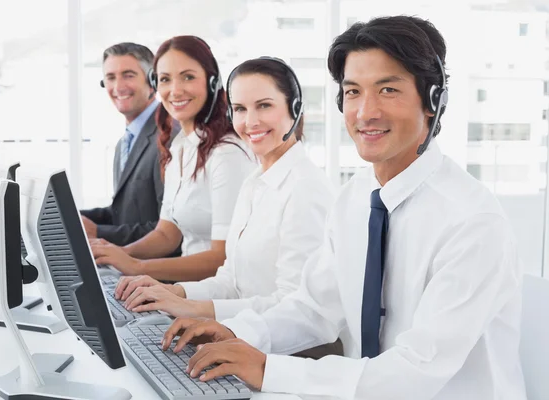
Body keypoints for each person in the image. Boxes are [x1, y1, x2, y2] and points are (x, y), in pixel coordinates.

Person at [160, 16, 527, 399]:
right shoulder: (355, 198)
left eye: (387, 89)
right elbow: (314, 307)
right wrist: (239, 335)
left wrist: (267, 368)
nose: (365, 112)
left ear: (433, 101)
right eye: (353, 92)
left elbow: (417, 370)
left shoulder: (472, 221)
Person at [113, 57, 335, 327]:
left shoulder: (305, 188)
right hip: (242, 335)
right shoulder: (255, 182)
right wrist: (175, 292)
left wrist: (190, 307)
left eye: (264, 106)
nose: (250, 121)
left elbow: (293, 307)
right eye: (240, 109)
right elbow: (230, 281)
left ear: (295, 109)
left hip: (283, 353)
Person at [91, 36, 255, 282]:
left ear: (212, 82)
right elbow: (167, 233)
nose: (175, 90)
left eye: (188, 77)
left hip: (217, 297)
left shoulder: (228, 153)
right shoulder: (180, 147)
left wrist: (136, 266)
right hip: (187, 292)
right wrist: (117, 255)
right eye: (166, 79)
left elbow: (223, 258)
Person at [80, 42, 167, 247]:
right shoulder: (124, 143)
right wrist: (69, 217)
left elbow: (170, 230)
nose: (118, 87)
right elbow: (126, 213)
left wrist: (99, 232)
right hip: (129, 266)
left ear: (153, 80)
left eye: (128, 75)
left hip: (157, 271)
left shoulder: (168, 136)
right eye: (110, 78)